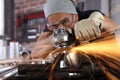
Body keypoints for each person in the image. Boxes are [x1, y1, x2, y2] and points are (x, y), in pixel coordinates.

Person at [30, 0, 118, 59]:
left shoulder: (87, 16)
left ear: (75, 17)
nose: (61, 28)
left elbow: (113, 26)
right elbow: (35, 53)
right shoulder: (52, 27)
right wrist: (56, 39)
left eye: (65, 22)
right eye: (55, 25)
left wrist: (95, 21)